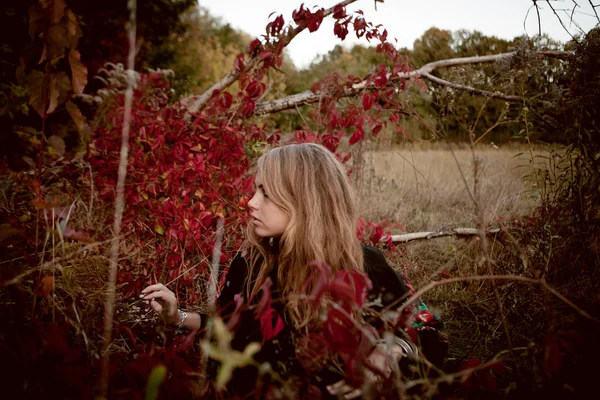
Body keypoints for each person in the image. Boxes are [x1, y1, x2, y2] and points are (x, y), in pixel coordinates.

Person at [141, 143, 447, 398]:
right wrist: (176, 316)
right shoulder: (250, 263)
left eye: (266, 193)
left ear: (306, 202)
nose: (250, 202)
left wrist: (388, 351)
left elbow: (425, 326)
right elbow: (226, 326)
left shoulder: (363, 264)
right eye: (255, 190)